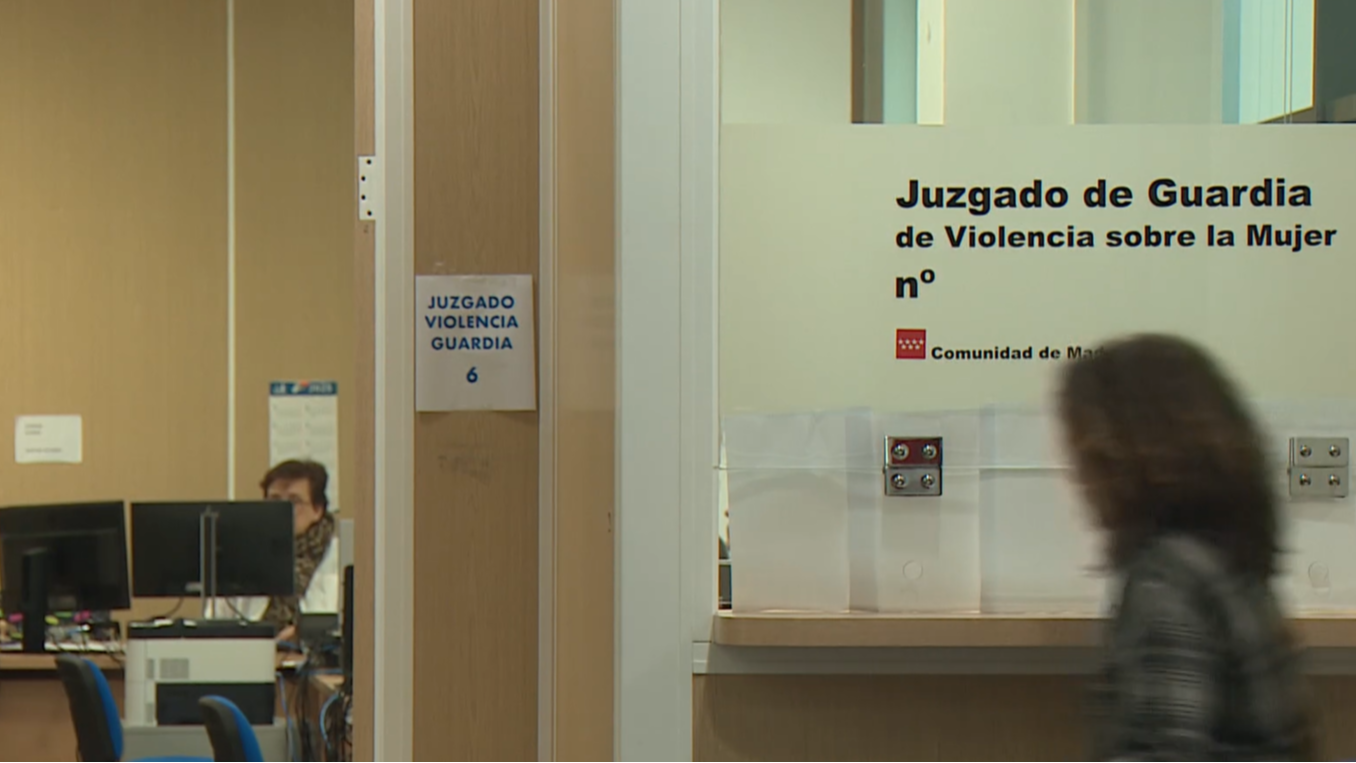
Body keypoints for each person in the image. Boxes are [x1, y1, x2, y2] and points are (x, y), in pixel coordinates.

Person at [1057, 334, 1315, 761]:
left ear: (1119, 455)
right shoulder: (1229, 561)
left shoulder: (1167, 580)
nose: (1077, 476)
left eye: (1081, 453)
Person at [256, 459, 340, 643]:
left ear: (317, 510)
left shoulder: (340, 556)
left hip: (315, 656)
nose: (283, 510)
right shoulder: (247, 552)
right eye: (274, 500)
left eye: (294, 502)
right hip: (252, 653)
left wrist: (303, 634)